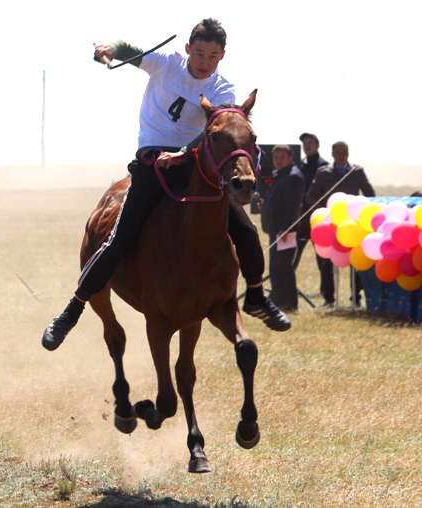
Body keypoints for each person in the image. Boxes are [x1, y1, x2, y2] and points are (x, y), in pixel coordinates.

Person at [41, 19, 291, 352]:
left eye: (212, 56)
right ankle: (73, 310)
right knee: (119, 240)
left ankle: (257, 297)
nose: (204, 62)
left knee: (245, 231)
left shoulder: (223, 89)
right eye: (199, 53)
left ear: (222, 56)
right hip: (151, 165)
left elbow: (217, 130)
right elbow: (129, 48)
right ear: (188, 49)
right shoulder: (167, 64)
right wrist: (109, 47)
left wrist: (184, 153)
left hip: (194, 167)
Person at [306, 141, 375, 307]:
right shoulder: (323, 173)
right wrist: (323, 213)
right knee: (327, 263)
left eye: (344, 152)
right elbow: (311, 196)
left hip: (353, 225)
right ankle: (329, 299)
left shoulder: (357, 172)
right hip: (330, 223)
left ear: (348, 154)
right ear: (332, 154)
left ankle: (356, 298)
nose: (341, 155)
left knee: (356, 263)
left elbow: (370, 194)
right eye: (338, 152)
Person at [260, 145, 305, 311]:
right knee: (283, 266)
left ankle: (278, 302)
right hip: (278, 229)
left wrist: (286, 228)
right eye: (276, 157)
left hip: (285, 231)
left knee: (279, 266)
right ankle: (289, 303)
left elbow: (294, 207)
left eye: (282, 157)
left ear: (290, 158)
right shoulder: (282, 175)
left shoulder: (293, 177)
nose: (278, 160)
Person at [294, 133, 329, 270]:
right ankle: (288, 288)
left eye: (310, 143)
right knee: (294, 256)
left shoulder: (323, 166)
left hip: (317, 218)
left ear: (317, 145)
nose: (307, 146)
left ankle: (325, 290)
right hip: (301, 218)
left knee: (322, 258)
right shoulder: (300, 164)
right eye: (305, 143)